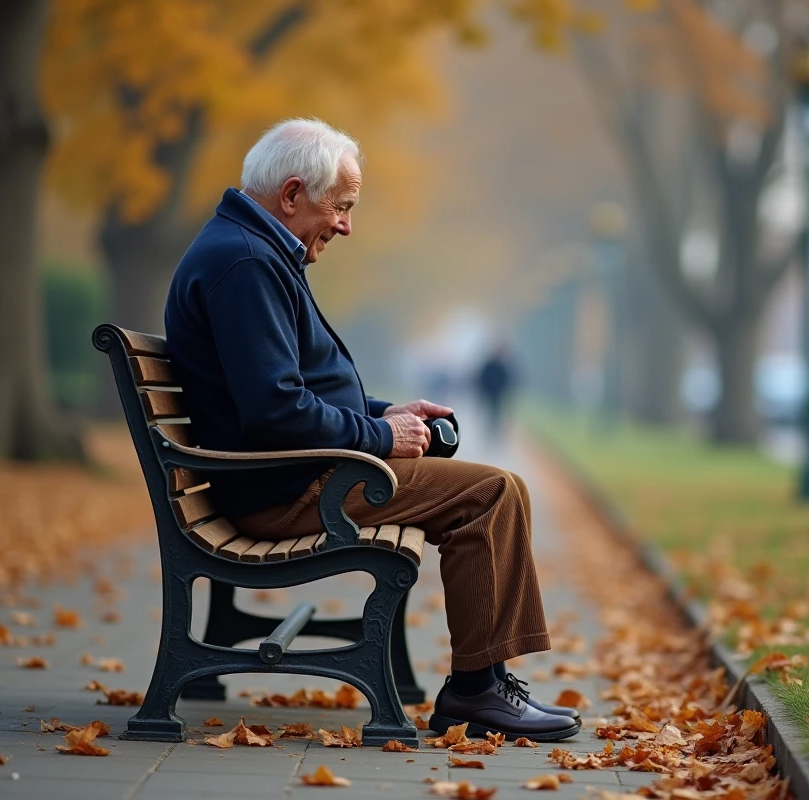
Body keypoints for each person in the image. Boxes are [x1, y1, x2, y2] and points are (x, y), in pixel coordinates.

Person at [164, 119, 579, 741]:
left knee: (499, 489)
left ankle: (483, 686)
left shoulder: (251, 250)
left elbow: (287, 392)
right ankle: (476, 691)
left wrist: (383, 416)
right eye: (341, 206)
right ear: (292, 193)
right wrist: (382, 440)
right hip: (285, 492)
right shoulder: (246, 263)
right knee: (492, 492)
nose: (346, 225)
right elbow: (275, 411)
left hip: (295, 473)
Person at [476, 344, 517, 442]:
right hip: (489, 394)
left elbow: (508, 380)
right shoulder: (489, 365)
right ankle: (488, 432)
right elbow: (482, 379)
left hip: (498, 395)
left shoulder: (503, 366)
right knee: (488, 414)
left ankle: (494, 433)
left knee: (496, 414)